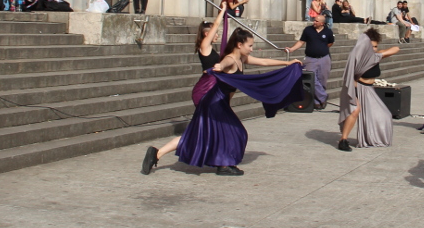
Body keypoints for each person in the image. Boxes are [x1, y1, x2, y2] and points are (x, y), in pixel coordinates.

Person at [140, 27, 302, 176]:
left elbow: (264, 61)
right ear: (239, 44)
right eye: (250, 45)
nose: (251, 49)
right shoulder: (231, 59)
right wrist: (218, 66)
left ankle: (157, 153)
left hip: (218, 103)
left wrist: (288, 63)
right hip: (213, 103)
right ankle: (224, 164)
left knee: (197, 135)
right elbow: (224, 63)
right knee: (236, 132)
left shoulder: (242, 58)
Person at [337, 28, 400, 151]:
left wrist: (379, 53)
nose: (373, 49)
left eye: (375, 46)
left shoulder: (376, 57)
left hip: (369, 90)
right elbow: (351, 78)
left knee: (385, 115)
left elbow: (396, 49)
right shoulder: (359, 58)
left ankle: (372, 137)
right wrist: (354, 96)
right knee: (355, 110)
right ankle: (343, 140)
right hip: (356, 87)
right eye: (371, 46)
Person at [286, 13, 333, 109]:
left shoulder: (328, 31)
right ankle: (323, 96)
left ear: (322, 23)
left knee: (322, 80)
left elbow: (330, 43)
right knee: (312, 79)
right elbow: (301, 42)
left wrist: (321, 49)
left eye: (316, 21)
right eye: (314, 20)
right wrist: (292, 49)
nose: (314, 22)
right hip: (310, 58)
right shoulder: (308, 30)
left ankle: (318, 102)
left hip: (324, 58)